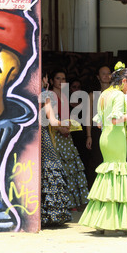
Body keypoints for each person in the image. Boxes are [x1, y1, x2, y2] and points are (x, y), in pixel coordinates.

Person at [79, 63, 127, 235]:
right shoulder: (120, 96)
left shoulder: (104, 95)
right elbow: (116, 120)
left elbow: (99, 123)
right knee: (118, 174)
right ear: (124, 81)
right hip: (116, 138)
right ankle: (113, 224)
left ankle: (104, 222)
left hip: (105, 138)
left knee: (108, 175)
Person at [47, 70, 89, 211]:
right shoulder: (50, 95)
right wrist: (61, 128)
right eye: (58, 78)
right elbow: (50, 119)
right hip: (55, 134)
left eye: (63, 78)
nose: (61, 81)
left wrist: (68, 127)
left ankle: (72, 203)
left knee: (71, 168)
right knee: (60, 167)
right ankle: (63, 204)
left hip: (66, 134)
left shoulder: (65, 96)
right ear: (52, 81)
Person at [40, 73, 72, 227]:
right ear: (45, 79)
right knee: (49, 170)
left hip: (24, 137)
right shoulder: (45, 94)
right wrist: (66, 123)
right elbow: (52, 121)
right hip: (42, 136)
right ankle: (50, 214)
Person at [85, 65, 112, 189]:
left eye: (108, 73)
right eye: (103, 73)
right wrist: (89, 135)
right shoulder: (92, 95)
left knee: (112, 162)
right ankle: (97, 191)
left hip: (113, 132)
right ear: (98, 77)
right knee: (97, 161)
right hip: (97, 131)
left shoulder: (117, 94)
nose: (106, 76)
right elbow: (88, 117)